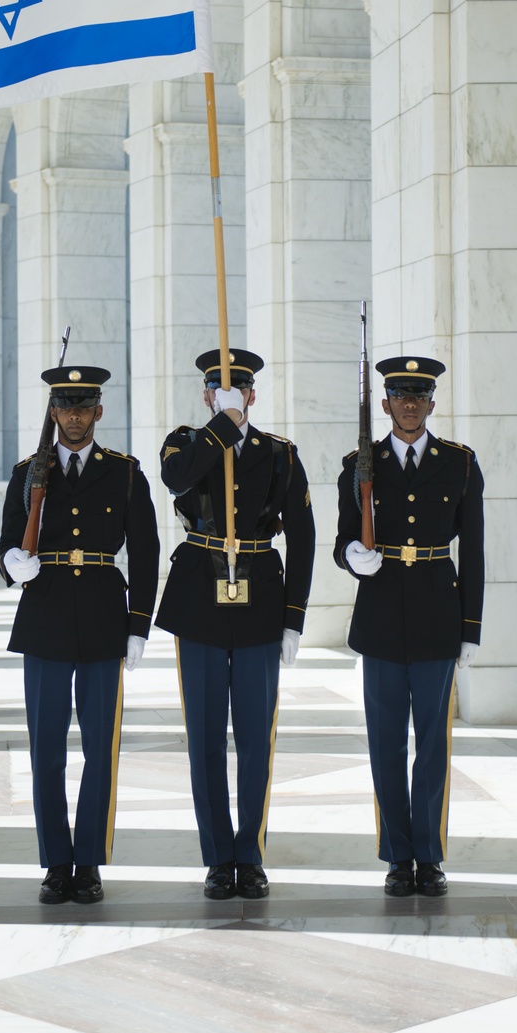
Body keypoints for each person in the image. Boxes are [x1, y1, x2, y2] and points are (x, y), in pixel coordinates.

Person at [154, 348, 316, 900]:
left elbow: (305, 536)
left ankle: (250, 853)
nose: (230, 398)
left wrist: (293, 617)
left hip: (260, 601)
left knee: (254, 736)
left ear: (253, 395)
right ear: (207, 397)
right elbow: (177, 478)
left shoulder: (280, 455)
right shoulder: (185, 441)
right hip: (200, 596)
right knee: (204, 737)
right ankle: (218, 857)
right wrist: (221, 429)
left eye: (239, 391)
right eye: (218, 392)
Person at [0, 364, 159, 906]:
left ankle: (87, 861)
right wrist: (11, 562)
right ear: (53, 412)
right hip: (43, 617)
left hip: (102, 616)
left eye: (84, 406)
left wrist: (139, 625)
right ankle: (56, 861)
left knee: (99, 749)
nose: (74, 415)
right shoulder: (28, 473)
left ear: (98, 412)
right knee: (46, 751)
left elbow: (147, 551)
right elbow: (4, 545)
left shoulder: (125, 473)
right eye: (65, 407)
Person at [334, 354, 484, 898]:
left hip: (438, 619)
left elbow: (476, 552)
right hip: (379, 618)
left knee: (434, 746)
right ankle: (399, 856)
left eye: (419, 397)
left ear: (431, 404)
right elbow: (341, 539)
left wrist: (471, 627)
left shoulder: (460, 464)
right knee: (386, 743)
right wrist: (354, 554)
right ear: (385, 404)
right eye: (400, 396)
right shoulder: (360, 464)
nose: (410, 405)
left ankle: (430, 854)